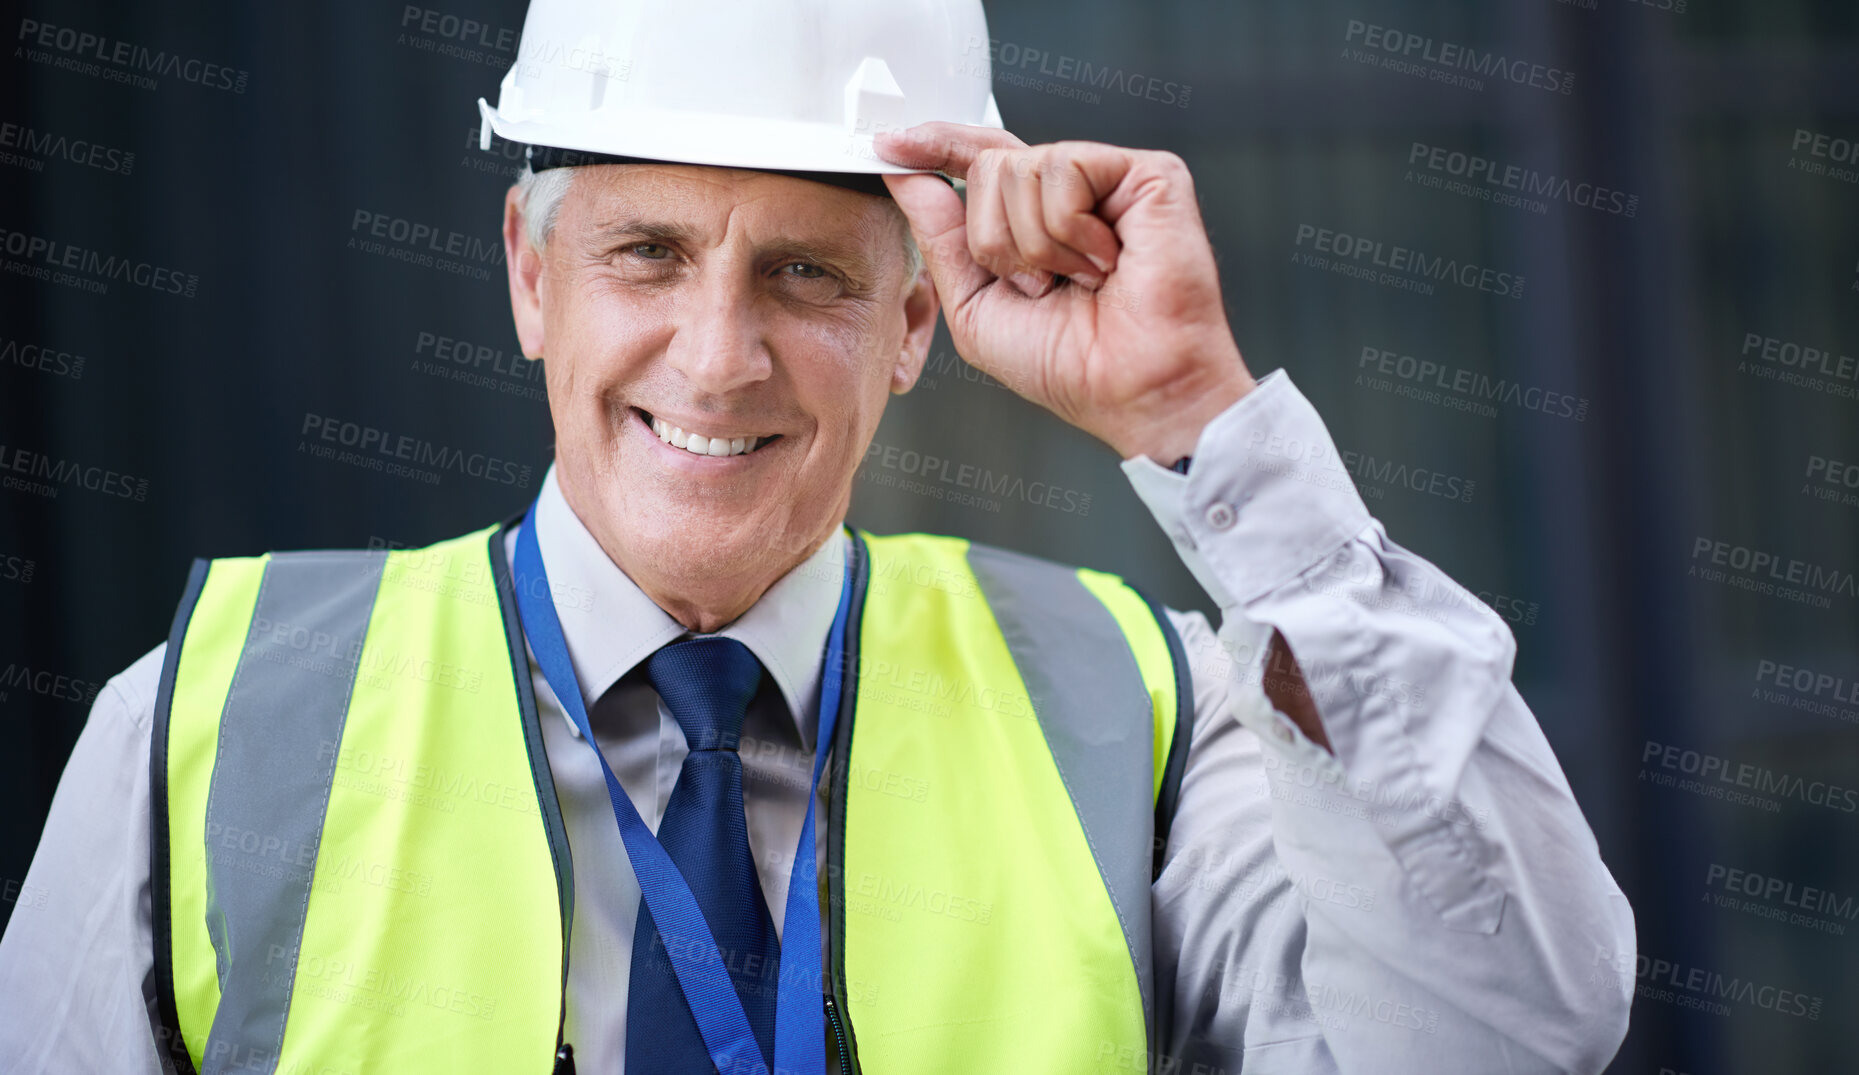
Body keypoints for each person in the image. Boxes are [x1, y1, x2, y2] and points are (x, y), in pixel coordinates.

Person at [0, 2, 1634, 1072]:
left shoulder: (1133, 710)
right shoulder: (202, 734)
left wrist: (1203, 424)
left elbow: (1510, 1030)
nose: (718, 360)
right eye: (645, 252)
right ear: (526, 274)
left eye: (806, 275)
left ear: (918, 318)